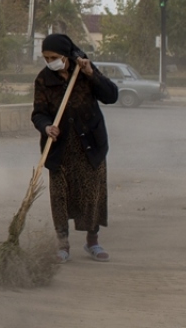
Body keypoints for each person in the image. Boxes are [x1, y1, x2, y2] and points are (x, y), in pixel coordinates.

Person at [31, 33, 118, 264]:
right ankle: (63, 245)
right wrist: (46, 126)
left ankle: (92, 242)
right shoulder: (43, 80)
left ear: (65, 55)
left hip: (90, 145)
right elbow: (38, 113)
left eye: (54, 57)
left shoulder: (84, 71)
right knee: (60, 196)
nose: (50, 62)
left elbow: (111, 96)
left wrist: (91, 74)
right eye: (46, 58)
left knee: (92, 194)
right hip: (59, 149)